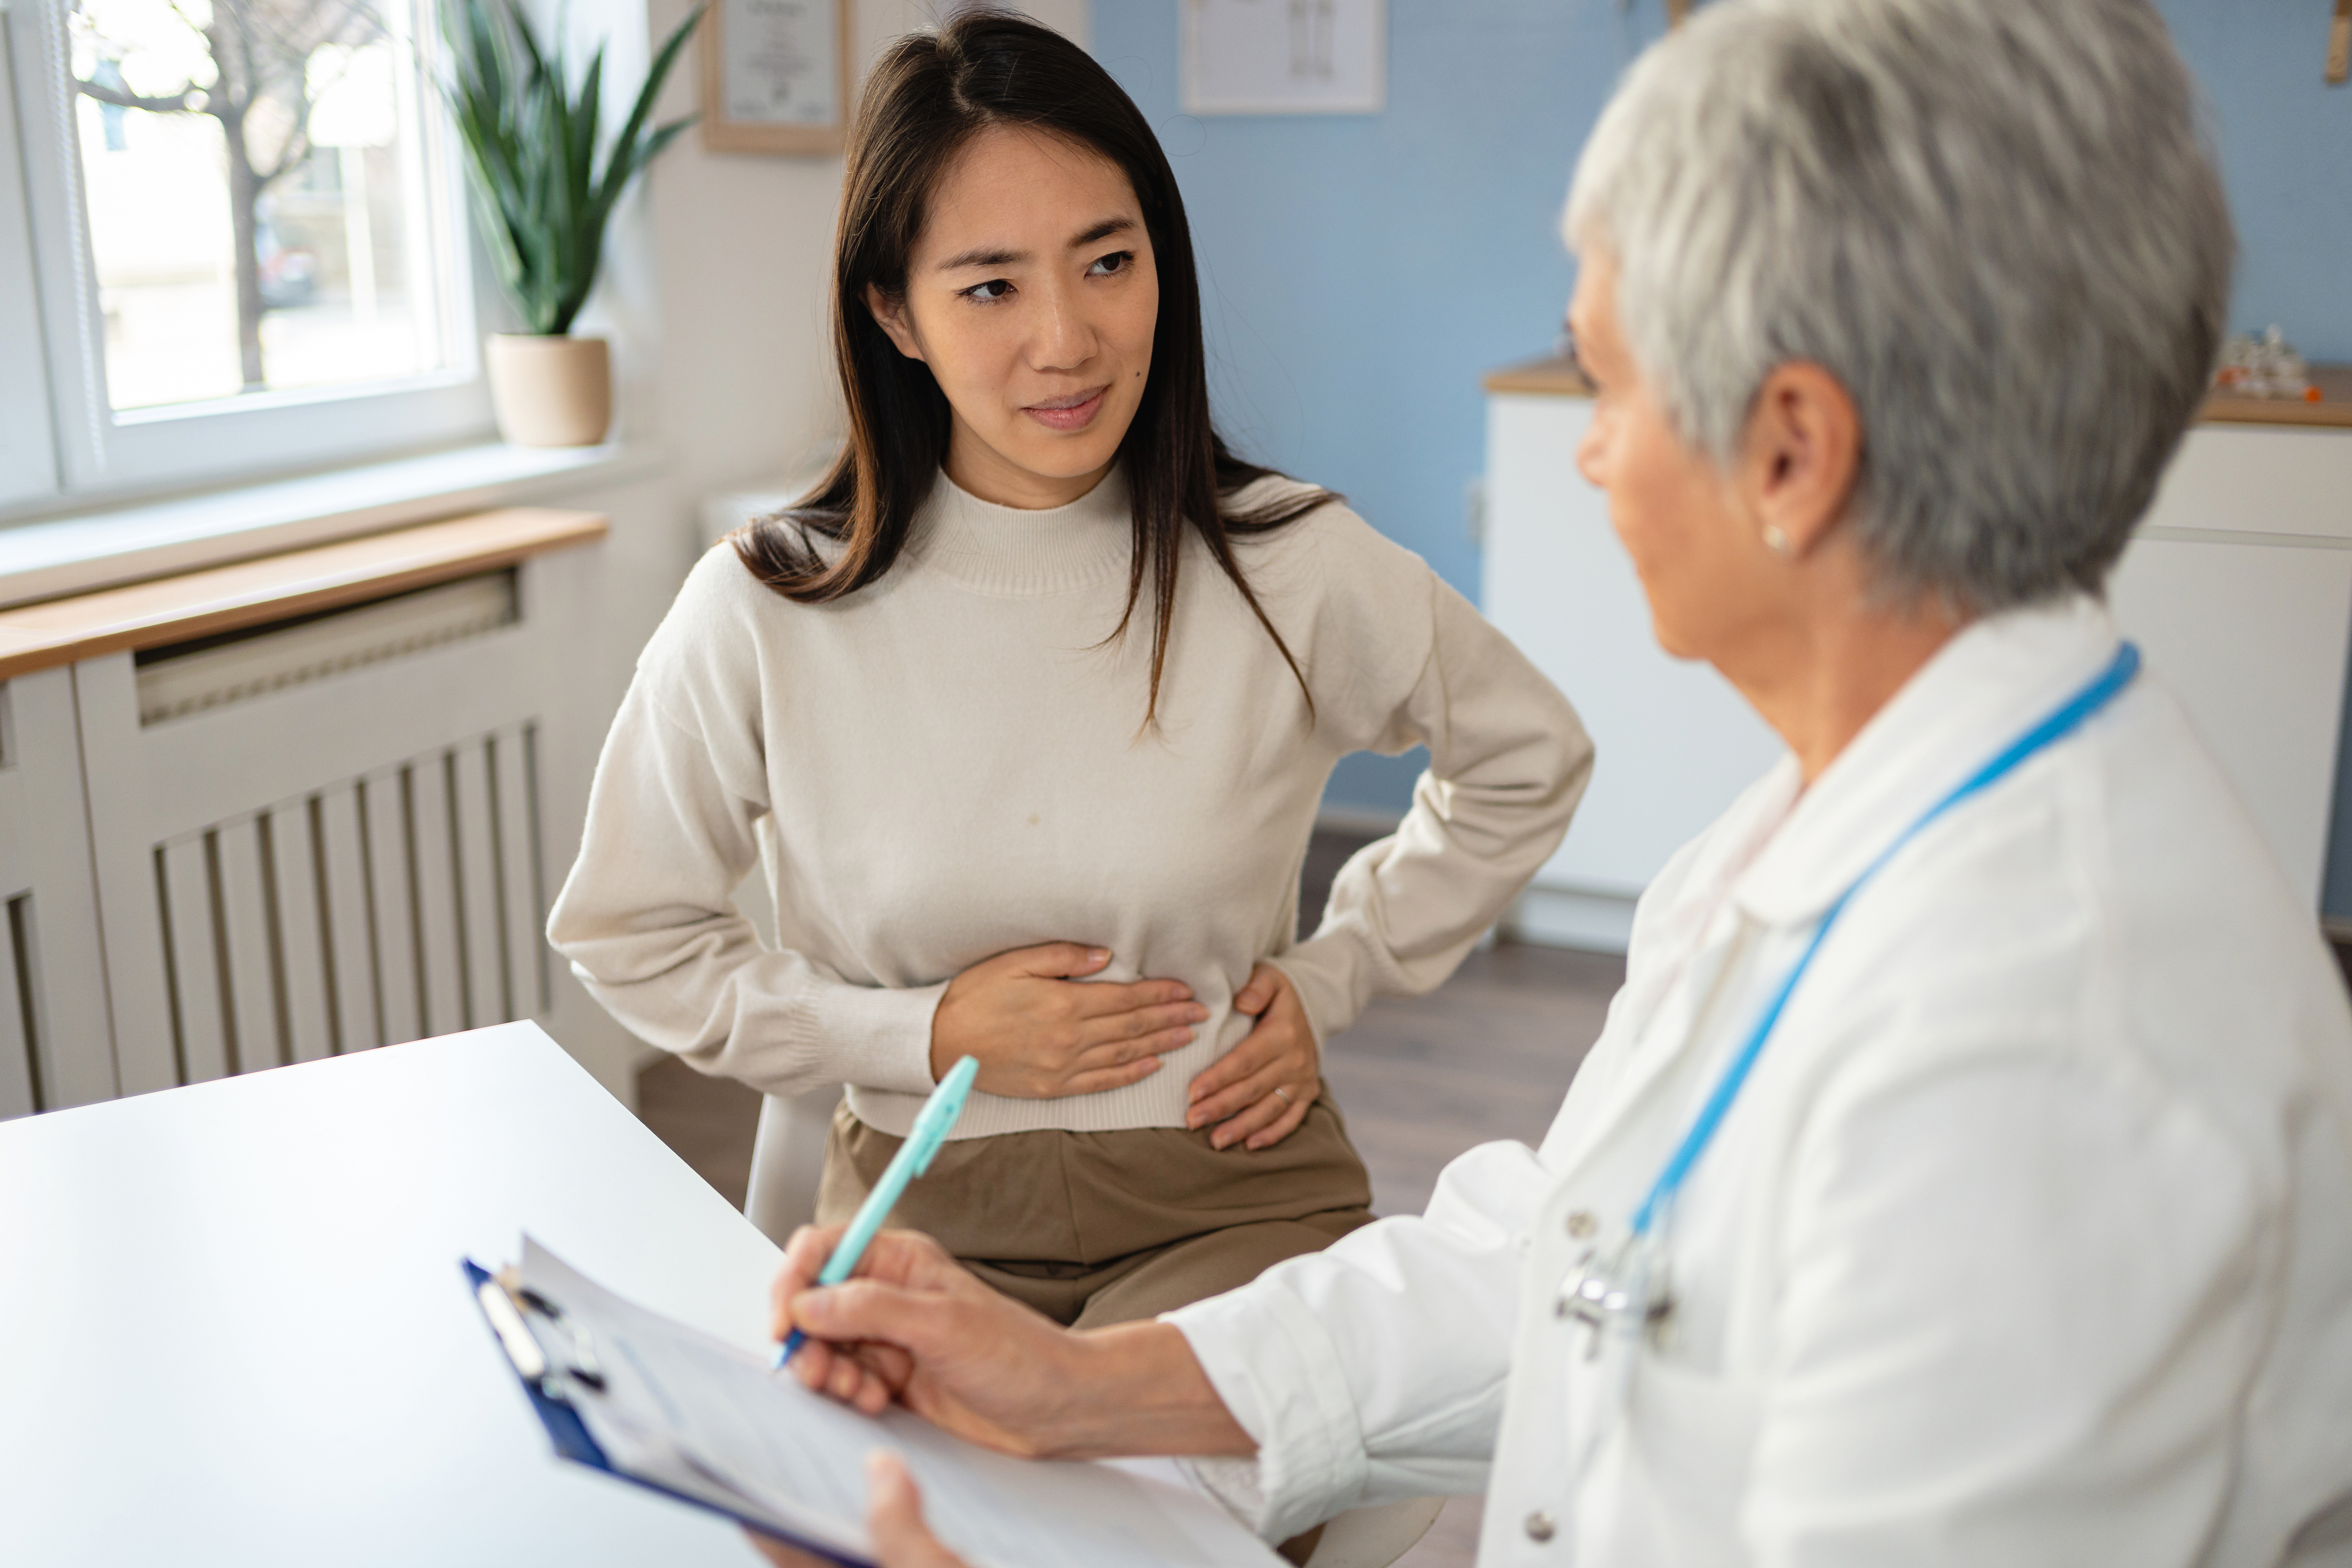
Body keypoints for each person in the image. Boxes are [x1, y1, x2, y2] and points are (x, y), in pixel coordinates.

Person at [757, 1, 2352, 1563]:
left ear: (1791, 447)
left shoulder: (2048, 1045)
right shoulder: (1805, 838)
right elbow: (1563, 1265)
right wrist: (1079, 1382)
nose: (1589, 453)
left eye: (1609, 381)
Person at [547, 13, 1591, 1332]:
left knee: (1124, 1509)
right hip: (921, 1207)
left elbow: (1526, 755)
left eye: (1108, 262)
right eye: (990, 286)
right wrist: (915, 1036)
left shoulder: (1287, 565)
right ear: (894, 313)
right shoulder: (768, 604)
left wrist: (1337, 973)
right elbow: (623, 931)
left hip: (1228, 1191)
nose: (1067, 339)